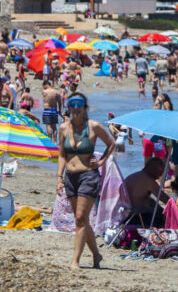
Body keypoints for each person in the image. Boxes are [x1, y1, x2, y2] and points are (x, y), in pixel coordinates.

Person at [56, 92, 115, 269]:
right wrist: (59, 177)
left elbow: (111, 143)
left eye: (78, 104)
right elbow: (61, 154)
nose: (75, 108)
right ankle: (97, 255)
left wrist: (102, 161)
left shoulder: (94, 127)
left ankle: (75, 261)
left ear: (84, 107)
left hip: (89, 176)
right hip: (70, 178)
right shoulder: (63, 128)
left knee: (81, 218)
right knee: (81, 220)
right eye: (72, 104)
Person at [124, 156, 170, 227]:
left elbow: (145, 198)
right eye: (160, 173)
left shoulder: (134, 176)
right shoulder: (149, 181)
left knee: (153, 203)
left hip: (126, 214)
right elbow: (165, 199)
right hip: (137, 216)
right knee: (164, 217)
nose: (159, 177)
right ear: (153, 169)